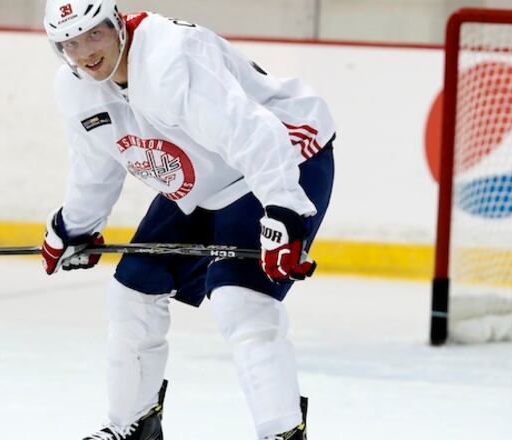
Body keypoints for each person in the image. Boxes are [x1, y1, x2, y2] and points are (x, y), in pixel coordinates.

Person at [39, 0, 336, 439]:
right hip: (205, 181)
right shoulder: (75, 87)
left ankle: (282, 432)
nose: (85, 53)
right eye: (70, 43)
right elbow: (95, 167)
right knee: (132, 291)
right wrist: (73, 228)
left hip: (282, 157)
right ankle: (132, 425)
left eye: (94, 35)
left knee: (241, 299)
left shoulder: (170, 58)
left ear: (117, 24)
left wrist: (285, 209)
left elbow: (251, 132)